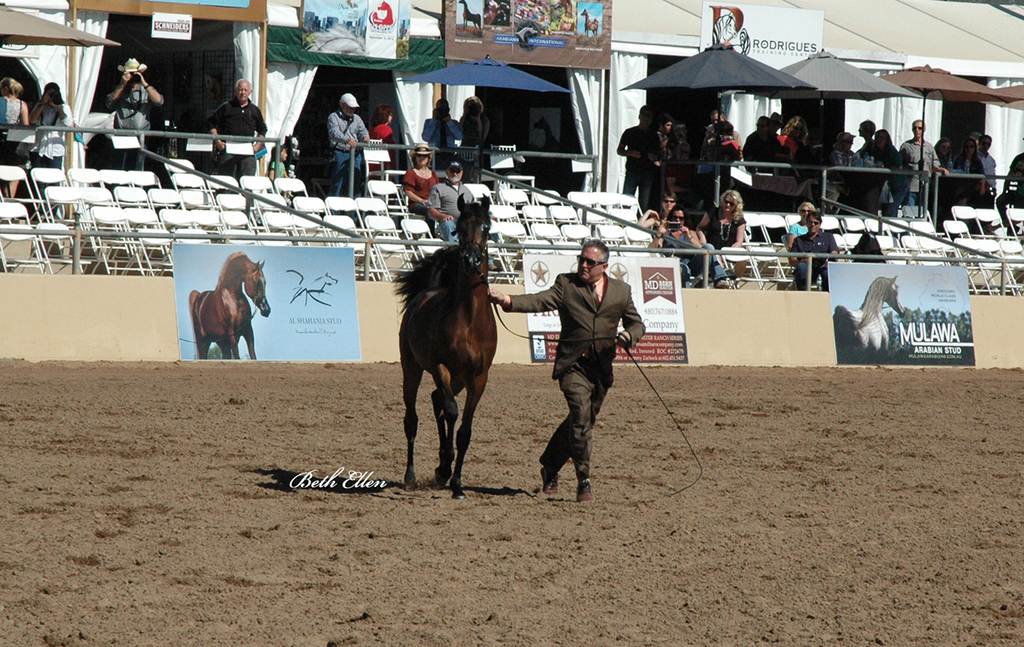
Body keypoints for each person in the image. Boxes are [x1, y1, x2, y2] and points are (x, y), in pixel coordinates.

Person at [488, 240, 645, 503]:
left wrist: (629, 335)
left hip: (601, 369)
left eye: (590, 262)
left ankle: (550, 466)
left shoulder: (621, 291)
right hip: (573, 364)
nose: (584, 265)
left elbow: (637, 323)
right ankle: (584, 480)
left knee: (580, 423)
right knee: (581, 417)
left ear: (604, 266)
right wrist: (508, 300)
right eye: (581, 259)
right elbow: (540, 300)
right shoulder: (566, 284)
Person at [650, 203, 732, 289]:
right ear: (670, 219)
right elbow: (652, 249)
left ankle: (719, 279)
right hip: (673, 264)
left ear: (684, 220)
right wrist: (659, 235)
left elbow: (701, 249)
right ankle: (686, 292)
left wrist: (688, 237)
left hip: (691, 264)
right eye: (675, 217)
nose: (677, 220)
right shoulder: (665, 234)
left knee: (709, 247)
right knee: (683, 268)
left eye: (681, 218)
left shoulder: (690, 233)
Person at [105, 58, 164, 170]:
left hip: (140, 137)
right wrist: (122, 85)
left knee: (137, 170)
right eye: (130, 74)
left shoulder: (147, 90)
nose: (132, 77)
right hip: (121, 136)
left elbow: (159, 101)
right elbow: (109, 103)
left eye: (135, 74)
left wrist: (144, 83)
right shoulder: (119, 89)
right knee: (119, 169)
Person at [207, 79, 267, 179]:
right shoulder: (226, 107)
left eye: (245, 90)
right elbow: (211, 123)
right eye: (240, 90)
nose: (243, 92)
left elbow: (262, 129)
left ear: (250, 92)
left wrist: (257, 146)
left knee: (247, 182)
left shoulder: (255, 110)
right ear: (235, 91)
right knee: (226, 181)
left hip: (247, 151)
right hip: (228, 150)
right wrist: (218, 141)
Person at [697, 189, 747, 282]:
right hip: (712, 249)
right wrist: (702, 240)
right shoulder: (713, 212)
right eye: (726, 201)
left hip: (729, 250)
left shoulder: (739, 220)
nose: (727, 205)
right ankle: (722, 278)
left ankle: (734, 283)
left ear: (736, 205)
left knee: (743, 260)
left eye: (731, 204)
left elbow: (739, 241)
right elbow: (700, 227)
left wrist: (726, 253)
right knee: (714, 254)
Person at [616, 105, 660, 212]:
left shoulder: (653, 135)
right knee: (626, 200)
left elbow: (659, 153)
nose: (647, 119)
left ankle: (641, 220)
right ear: (639, 116)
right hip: (632, 171)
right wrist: (630, 153)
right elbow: (619, 150)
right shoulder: (630, 132)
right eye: (645, 115)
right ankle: (624, 219)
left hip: (647, 172)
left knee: (644, 203)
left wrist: (654, 157)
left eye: (650, 117)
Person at [326, 92, 370, 197]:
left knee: (356, 182)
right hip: (340, 152)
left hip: (355, 154)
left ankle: (355, 206)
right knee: (338, 182)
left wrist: (365, 137)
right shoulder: (333, 117)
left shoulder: (357, 118)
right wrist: (346, 140)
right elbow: (334, 132)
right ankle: (334, 206)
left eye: (354, 108)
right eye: (350, 107)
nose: (352, 110)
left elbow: (363, 131)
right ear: (342, 104)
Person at [899, 120, 945, 211]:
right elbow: (900, 164)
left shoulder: (929, 147)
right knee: (909, 211)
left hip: (925, 186)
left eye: (919, 128)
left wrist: (941, 170)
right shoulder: (906, 146)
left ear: (924, 130)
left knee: (922, 212)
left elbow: (935, 164)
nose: (917, 130)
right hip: (910, 186)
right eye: (914, 128)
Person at [427, 160, 475, 242]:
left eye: (458, 171)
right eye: (452, 171)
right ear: (447, 172)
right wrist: (443, 216)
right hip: (447, 221)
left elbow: (473, 208)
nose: (455, 174)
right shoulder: (438, 188)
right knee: (448, 224)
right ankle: (453, 248)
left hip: (465, 222)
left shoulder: (467, 190)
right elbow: (431, 210)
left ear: (462, 173)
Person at [790, 212, 839, 291]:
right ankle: (803, 294)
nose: (813, 225)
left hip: (822, 265)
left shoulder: (828, 237)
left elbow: (835, 252)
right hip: (806, 266)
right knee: (801, 268)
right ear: (807, 223)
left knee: (828, 272)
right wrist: (802, 261)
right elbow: (792, 260)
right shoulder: (799, 240)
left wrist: (830, 260)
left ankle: (827, 295)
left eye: (816, 223)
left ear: (820, 224)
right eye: (810, 222)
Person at [29, 82, 73, 169]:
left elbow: (68, 123)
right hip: (38, 146)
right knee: (37, 173)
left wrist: (59, 107)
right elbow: (33, 120)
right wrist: (43, 104)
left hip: (55, 148)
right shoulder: (39, 106)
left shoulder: (64, 107)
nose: (51, 97)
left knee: (54, 174)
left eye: (54, 94)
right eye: (49, 94)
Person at [0, 77, 29, 196]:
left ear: (6, 89)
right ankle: (9, 198)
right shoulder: (22, 104)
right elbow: (26, 125)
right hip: (14, 142)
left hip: (1, 139)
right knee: (12, 171)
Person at [865, 129, 904, 217]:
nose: (879, 140)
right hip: (884, 184)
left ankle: (893, 225)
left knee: (891, 209)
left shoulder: (891, 150)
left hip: (898, 184)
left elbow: (899, 167)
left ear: (887, 140)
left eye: (882, 138)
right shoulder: (874, 150)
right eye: (877, 137)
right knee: (883, 209)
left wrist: (884, 167)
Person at [421, 98, 462, 169]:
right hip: (435, 155)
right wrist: (434, 120)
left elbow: (459, 136)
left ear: (448, 110)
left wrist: (449, 122)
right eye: (440, 109)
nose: (442, 111)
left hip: (450, 154)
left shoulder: (454, 123)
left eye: (444, 109)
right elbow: (425, 137)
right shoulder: (429, 122)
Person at [403, 143, 439, 221]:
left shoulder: (433, 174)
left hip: (432, 204)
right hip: (417, 204)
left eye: (424, 156)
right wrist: (421, 200)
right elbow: (408, 192)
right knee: (430, 210)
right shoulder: (411, 172)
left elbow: (438, 191)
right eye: (419, 155)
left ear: (428, 158)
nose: (422, 158)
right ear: (415, 157)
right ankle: (431, 229)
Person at [458, 96, 489, 182]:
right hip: (465, 147)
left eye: (475, 106)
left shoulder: (484, 120)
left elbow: (482, 136)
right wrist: (465, 114)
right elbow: (459, 132)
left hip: (476, 148)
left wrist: (478, 119)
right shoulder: (465, 118)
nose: (473, 108)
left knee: (475, 170)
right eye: (471, 106)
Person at [368, 103, 396, 174]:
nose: (392, 117)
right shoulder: (386, 129)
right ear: (385, 115)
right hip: (384, 166)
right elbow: (390, 150)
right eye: (390, 115)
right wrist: (392, 166)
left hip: (371, 166)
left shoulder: (371, 130)